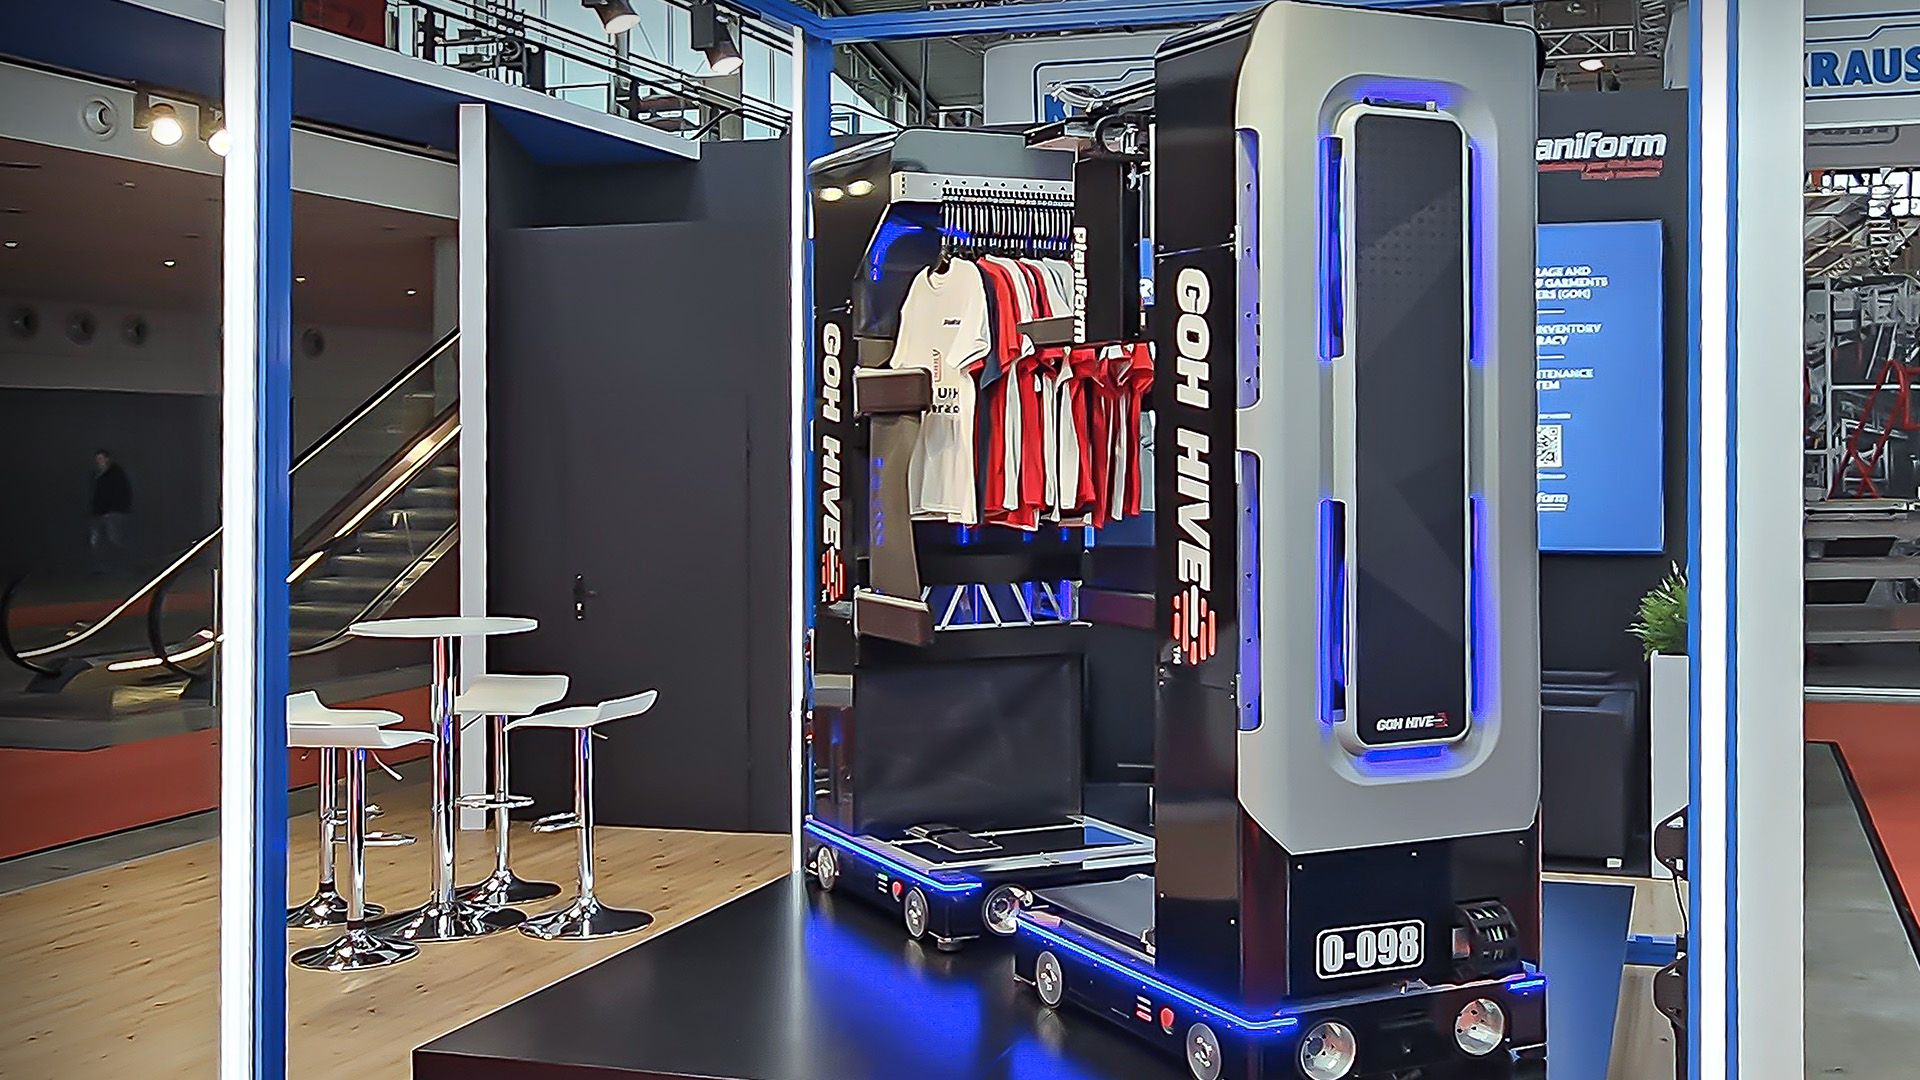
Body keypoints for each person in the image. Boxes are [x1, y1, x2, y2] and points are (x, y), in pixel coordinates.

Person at [89, 449, 132, 572]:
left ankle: (124, 565)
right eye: (97, 459)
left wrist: (114, 509)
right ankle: (102, 568)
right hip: (99, 513)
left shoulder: (116, 473)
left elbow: (121, 492)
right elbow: (96, 495)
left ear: (107, 459)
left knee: (115, 540)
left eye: (101, 458)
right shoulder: (97, 475)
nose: (99, 461)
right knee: (95, 542)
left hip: (114, 513)